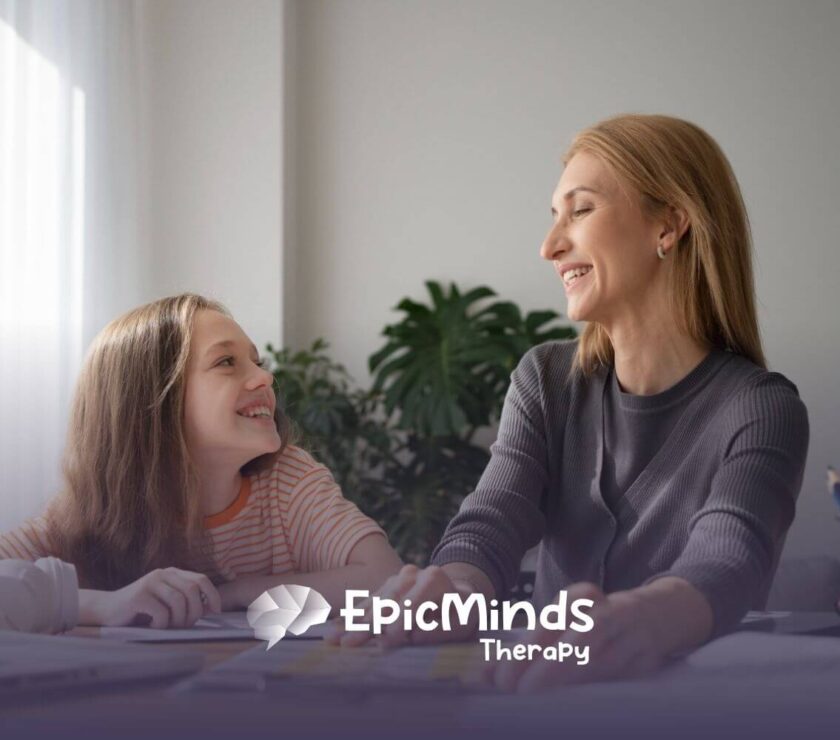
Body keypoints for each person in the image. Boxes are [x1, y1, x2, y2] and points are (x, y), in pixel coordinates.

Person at [329, 114, 810, 692]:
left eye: (579, 211)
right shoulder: (546, 378)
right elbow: (491, 521)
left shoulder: (760, 409)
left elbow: (730, 560)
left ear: (669, 225)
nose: (550, 246)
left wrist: (643, 621)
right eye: (554, 216)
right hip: (535, 700)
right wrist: (453, 588)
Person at [0, 294, 402, 628]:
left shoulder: (289, 482)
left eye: (256, 361)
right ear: (149, 402)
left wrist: (239, 592)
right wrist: (105, 606)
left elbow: (386, 579)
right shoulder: (85, 511)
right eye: (226, 362)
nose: (265, 378)